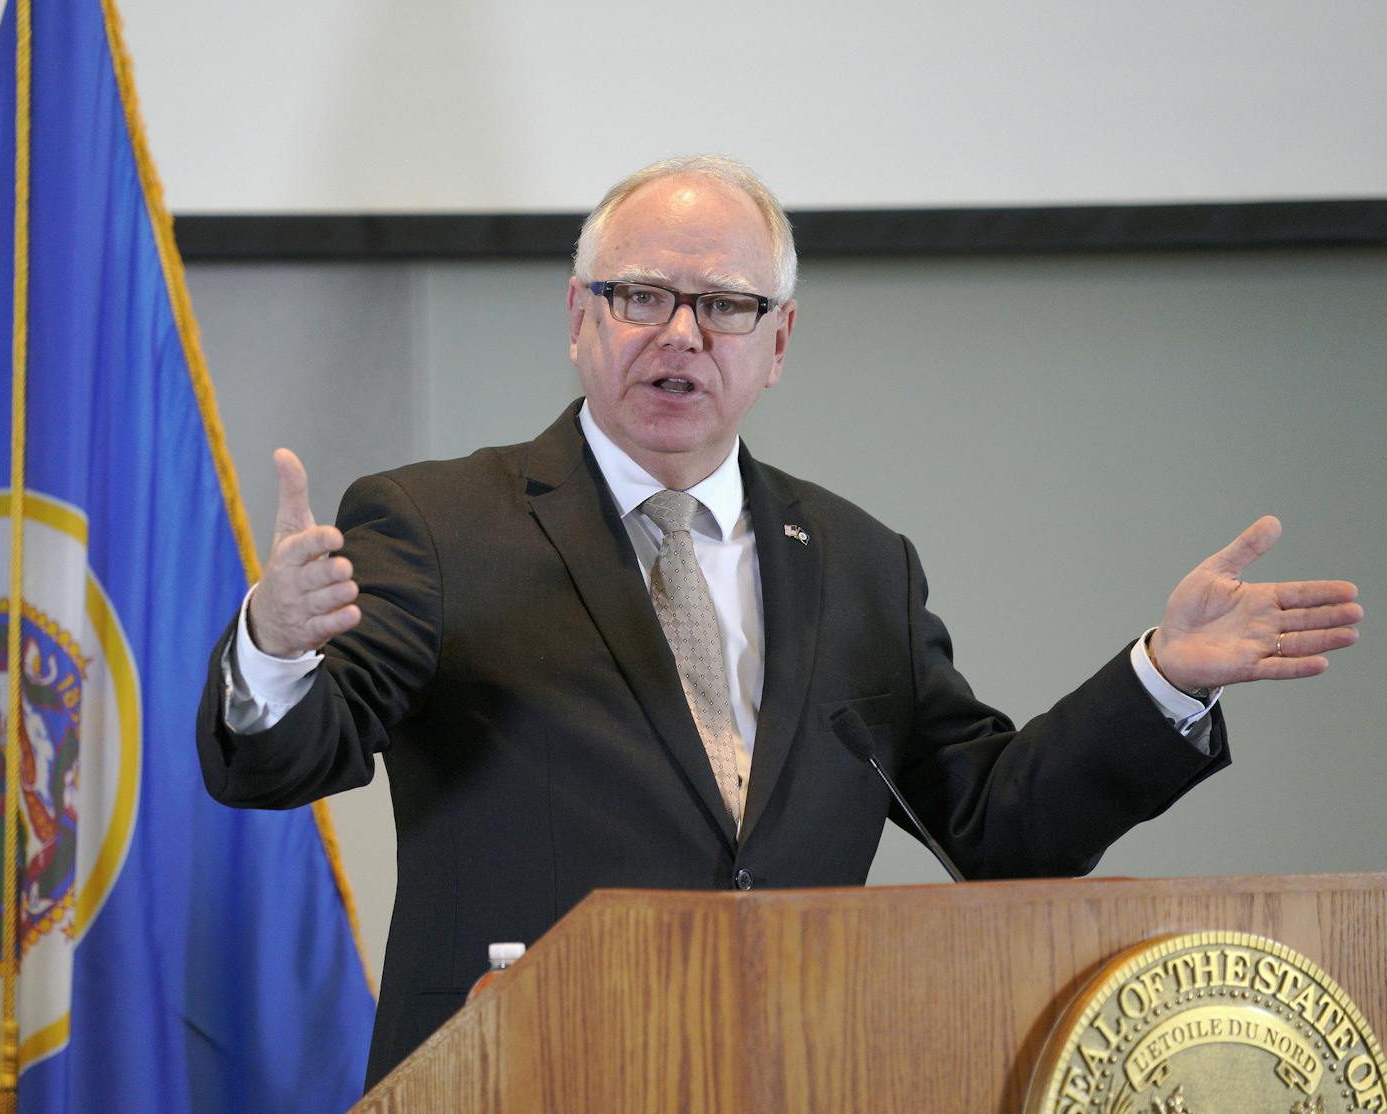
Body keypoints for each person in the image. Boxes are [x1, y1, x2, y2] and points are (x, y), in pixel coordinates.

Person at [195, 156, 1362, 1089]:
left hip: (794, 1073)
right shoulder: (438, 522)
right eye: (640, 295)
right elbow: (286, 757)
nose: (680, 333)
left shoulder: (857, 563)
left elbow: (998, 830)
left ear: (778, 342)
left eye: (724, 305)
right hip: (524, 1075)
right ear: (576, 317)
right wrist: (278, 646)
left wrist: (1157, 677)